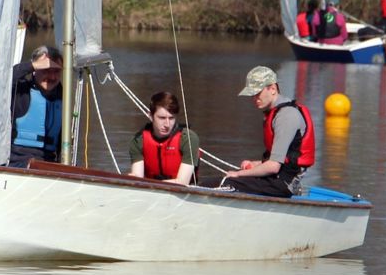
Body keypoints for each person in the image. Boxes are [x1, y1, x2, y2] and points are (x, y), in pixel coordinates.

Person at [221, 66, 316, 198]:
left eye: (257, 93)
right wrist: (255, 164)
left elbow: (273, 167)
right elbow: (280, 160)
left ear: (272, 88)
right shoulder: (275, 113)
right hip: (275, 179)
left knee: (226, 182)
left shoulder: (286, 116)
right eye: (252, 95)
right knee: (225, 181)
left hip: (283, 184)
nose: (254, 99)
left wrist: (238, 174)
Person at [8, 45, 64, 167]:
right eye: (46, 70)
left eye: (56, 71)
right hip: (18, 162)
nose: (52, 77)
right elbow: (3, 79)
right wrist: (32, 65)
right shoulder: (21, 91)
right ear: (35, 69)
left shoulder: (62, 98)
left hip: (49, 164)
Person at [129, 91, 199, 185]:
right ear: (150, 116)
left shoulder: (188, 139)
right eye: (162, 118)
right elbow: (137, 178)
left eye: (171, 118)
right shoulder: (138, 141)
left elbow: (182, 182)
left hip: (183, 193)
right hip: (150, 192)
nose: (167, 124)